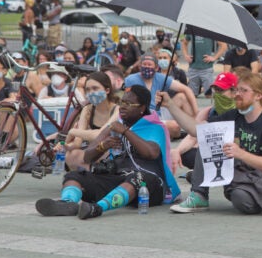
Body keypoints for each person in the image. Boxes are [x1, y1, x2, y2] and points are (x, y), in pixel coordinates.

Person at [161, 71, 262, 214]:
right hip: (244, 172)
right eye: (237, 89)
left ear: (259, 95)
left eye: (244, 90)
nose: (237, 94)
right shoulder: (235, 115)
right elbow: (197, 130)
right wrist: (170, 105)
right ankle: (199, 195)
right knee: (209, 136)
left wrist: (241, 154)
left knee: (240, 198)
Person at [35, 85, 178, 219]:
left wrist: (126, 132)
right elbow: (88, 157)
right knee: (75, 175)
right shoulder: (115, 126)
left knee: (139, 177)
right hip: (119, 178)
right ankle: (67, 203)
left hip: (150, 186)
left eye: (128, 104)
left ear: (142, 108)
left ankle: (98, 208)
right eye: (122, 102)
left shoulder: (154, 127)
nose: (122, 107)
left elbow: (151, 153)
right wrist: (102, 146)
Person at [170, 72, 238, 179]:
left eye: (221, 90)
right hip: (214, 153)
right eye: (216, 90)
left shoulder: (241, 112)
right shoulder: (208, 112)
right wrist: (177, 150)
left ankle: (203, 172)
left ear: (234, 92)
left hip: (234, 154)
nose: (217, 94)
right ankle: (203, 171)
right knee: (187, 153)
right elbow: (192, 136)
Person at [63, 72, 120, 171]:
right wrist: (66, 145)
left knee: (100, 155)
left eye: (95, 88)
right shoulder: (88, 109)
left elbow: (100, 135)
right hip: (93, 151)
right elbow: (78, 142)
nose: (91, 93)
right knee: (71, 155)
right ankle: (92, 174)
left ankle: (90, 174)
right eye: (88, 90)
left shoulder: (117, 110)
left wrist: (72, 131)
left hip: (111, 151)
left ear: (107, 90)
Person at [124, 55, 198, 117]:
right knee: (174, 126)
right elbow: (124, 99)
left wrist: (196, 112)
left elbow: (187, 89)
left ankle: (196, 124)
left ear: (156, 68)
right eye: (144, 64)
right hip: (140, 114)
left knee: (182, 96)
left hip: (159, 111)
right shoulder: (130, 79)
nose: (146, 67)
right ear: (140, 67)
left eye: (149, 65)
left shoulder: (161, 77)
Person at [181, 33, 228, 98]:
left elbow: (224, 46)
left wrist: (214, 57)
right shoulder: (192, 29)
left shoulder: (209, 30)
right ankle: (201, 90)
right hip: (193, 68)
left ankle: (203, 90)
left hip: (206, 69)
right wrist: (186, 55)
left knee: (209, 95)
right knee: (192, 96)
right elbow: (184, 43)